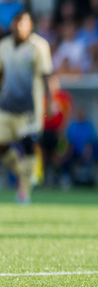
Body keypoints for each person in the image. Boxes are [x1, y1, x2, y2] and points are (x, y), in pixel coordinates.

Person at [0, 11, 53, 204]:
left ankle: (24, 192)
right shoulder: (3, 46)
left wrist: (51, 101)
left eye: (24, 23)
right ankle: (26, 174)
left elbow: (46, 74)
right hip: (6, 106)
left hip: (29, 108)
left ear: (30, 25)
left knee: (28, 145)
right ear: (12, 25)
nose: (19, 27)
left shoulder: (39, 46)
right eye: (16, 23)